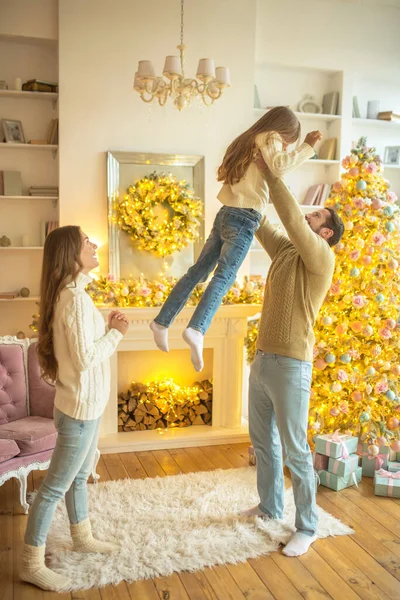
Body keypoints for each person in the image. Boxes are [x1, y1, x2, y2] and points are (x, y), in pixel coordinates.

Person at [150, 106, 322, 371]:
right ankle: (196, 329)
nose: (285, 147)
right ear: (284, 131)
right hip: (244, 218)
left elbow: (272, 166)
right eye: (288, 142)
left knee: (198, 272)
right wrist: (308, 146)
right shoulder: (269, 137)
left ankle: (162, 321)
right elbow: (279, 167)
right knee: (223, 277)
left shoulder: (249, 138)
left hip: (227, 214)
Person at [242, 158, 344, 557]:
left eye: (315, 214)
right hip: (263, 359)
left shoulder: (321, 257)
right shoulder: (286, 251)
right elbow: (262, 223)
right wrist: (245, 191)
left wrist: (271, 173)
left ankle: (308, 526)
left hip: (292, 365)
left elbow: (288, 217)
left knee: (296, 449)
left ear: (325, 230)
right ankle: (269, 507)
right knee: (263, 443)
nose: (307, 215)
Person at [19, 226, 128, 592]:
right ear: (71, 254)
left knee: (78, 479)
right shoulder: (74, 299)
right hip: (79, 412)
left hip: (87, 407)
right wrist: (115, 333)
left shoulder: (76, 294)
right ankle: (30, 564)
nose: (94, 245)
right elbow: (84, 360)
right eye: (86, 242)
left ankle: (82, 536)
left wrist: (107, 326)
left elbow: (80, 350)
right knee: (52, 489)